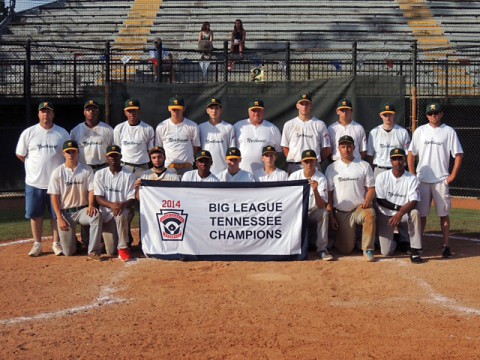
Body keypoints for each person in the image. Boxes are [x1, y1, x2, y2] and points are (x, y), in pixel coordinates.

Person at [407, 102, 463, 258]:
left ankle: (446, 246)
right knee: (421, 214)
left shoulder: (448, 131)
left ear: (442, 114)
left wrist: (452, 176)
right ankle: (418, 246)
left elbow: (458, 154)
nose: (434, 116)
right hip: (422, 179)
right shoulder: (420, 131)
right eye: (430, 114)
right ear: (426, 116)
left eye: (436, 113)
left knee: (444, 214)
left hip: (441, 180)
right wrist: (412, 173)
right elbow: (411, 153)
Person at [16, 101, 69, 257]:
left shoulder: (62, 133)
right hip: (34, 182)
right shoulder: (29, 132)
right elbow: (20, 154)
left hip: (56, 184)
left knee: (56, 214)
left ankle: (56, 243)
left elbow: (68, 153)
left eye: (48, 111)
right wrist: (33, 166)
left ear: (53, 114)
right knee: (35, 214)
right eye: (42, 111)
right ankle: (37, 244)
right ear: (38, 114)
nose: (45, 114)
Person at [48, 140, 102, 259]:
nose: (71, 154)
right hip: (66, 213)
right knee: (68, 252)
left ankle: (93, 251)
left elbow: (91, 190)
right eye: (68, 152)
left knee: (95, 216)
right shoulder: (57, 172)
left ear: (78, 152)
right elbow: (54, 196)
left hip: (82, 210)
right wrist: (59, 217)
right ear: (64, 154)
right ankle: (75, 244)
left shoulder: (86, 170)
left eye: (73, 151)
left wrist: (91, 205)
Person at [325, 135, 376, 262]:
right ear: (339, 148)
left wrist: (367, 200)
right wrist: (332, 217)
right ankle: (351, 238)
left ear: (354, 147)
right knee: (345, 249)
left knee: (370, 215)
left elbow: (371, 188)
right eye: (343, 147)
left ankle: (368, 249)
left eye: (349, 146)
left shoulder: (364, 165)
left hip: (359, 208)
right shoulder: (332, 168)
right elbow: (329, 195)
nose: (346, 149)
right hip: (342, 212)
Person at [375, 148, 423, 263]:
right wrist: (398, 210)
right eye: (395, 159)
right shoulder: (382, 177)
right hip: (386, 214)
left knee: (415, 213)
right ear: (391, 161)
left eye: (400, 159)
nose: (398, 162)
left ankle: (415, 250)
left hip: (404, 214)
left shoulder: (411, 178)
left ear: (404, 160)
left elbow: (414, 201)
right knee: (386, 252)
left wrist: (400, 213)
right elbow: (380, 200)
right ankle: (396, 240)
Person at [94, 145, 135, 261]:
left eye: (115, 156)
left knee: (120, 215)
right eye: (110, 156)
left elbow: (131, 198)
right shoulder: (100, 174)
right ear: (106, 157)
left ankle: (123, 248)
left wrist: (121, 205)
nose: (113, 158)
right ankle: (126, 239)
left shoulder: (129, 175)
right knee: (111, 251)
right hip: (107, 212)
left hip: (123, 210)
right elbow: (98, 198)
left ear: (120, 157)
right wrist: (112, 205)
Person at [289, 150, 332, 261]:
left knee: (324, 213)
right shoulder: (294, 176)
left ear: (316, 162)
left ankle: (322, 249)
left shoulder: (321, 178)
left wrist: (315, 190)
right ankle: (292, 248)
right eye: (306, 161)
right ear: (302, 163)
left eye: (311, 161)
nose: (309, 164)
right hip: (298, 212)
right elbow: (289, 199)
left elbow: (321, 205)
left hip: (313, 210)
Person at [281, 94, 331, 174]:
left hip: (314, 167)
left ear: (311, 105)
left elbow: (327, 149)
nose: (304, 107)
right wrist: (294, 161)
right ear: (297, 106)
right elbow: (285, 147)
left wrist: (315, 161)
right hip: (295, 166)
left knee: (315, 187)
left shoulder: (320, 124)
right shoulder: (289, 124)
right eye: (302, 104)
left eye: (307, 104)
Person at [156, 96, 201, 178]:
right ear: (169, 109)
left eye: (178, 109)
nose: (175, 112)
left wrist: (189, 161)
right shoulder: (161, 126)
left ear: (183, 109)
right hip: (169, 168)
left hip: (187, 168)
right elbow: (159, 148)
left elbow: (196, 147)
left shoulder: (192, 126)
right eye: (173, 109)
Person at [234, 99, 282, 174]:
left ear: (263, 111)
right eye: (254, 110)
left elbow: (278, 151)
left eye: (259, 110)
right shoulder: (238, 126)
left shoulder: (273, 128)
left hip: (265, 176)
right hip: (242, 174)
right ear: (248, 112)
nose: (256, 113)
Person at [113, 98, 155, 178]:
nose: (132, 113)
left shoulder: (148, 128)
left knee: (142, 190)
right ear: (125, 112)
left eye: (134, 110)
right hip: (125, 166)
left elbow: (150, 150)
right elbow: (118, 148)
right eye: (129, 111)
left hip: (142, 167)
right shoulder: (119, 128)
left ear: (139, 111)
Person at [367, 103, 410, 178]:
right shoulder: (374, 132)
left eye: (390, 114)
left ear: (394, 115)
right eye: (385, 115)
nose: (387, 118)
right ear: (381, 115)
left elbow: (407, 154)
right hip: (380, 169)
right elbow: (370, 154)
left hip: (397, 169)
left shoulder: (402, 132)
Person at [70, 99, 114, 172]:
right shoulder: (75, 130)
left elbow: (112, 150)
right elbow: (71, 152)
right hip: (83, 168)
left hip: (102, 168)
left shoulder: (108, 130)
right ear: (84, 112)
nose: (91, 112)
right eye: (88, 110)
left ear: (98, 112)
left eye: (94, 109)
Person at [198, 97, 235, 176]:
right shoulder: (200, 127)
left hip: (224, 170)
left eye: (216, 108)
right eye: (211, 108)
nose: (214, 111)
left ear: (220, 110)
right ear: (207, 111)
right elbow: (198, 149)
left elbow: (231, 149)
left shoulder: (228, 127)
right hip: (205, 170)